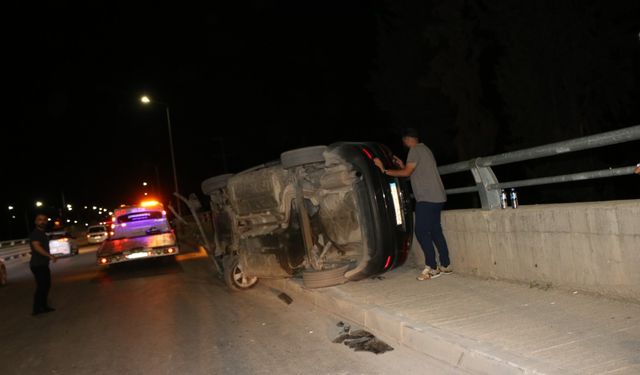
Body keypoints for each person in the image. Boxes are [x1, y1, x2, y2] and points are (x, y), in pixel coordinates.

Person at [374, 128, 452, 281]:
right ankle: (446, 265)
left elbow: (406, 173)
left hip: (427, 198)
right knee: (435, 231)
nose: (404, 143)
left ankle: (432, 268)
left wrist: (383, 170)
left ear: (407, 139)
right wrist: (403, 164)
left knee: (421, 232)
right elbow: (412, 171)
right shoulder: (425, 149)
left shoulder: (414, 150)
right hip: (438, 196)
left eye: (403, 141)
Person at [29, 213, 57, 315]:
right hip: (37, 264)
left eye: (44, 219)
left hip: (43, 264)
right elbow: (36, 247)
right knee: (42, 286)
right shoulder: (36, 233)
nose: (42, 221)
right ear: (36, 222)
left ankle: (44, 306)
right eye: (40, 219)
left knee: (46, 285)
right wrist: (49, 256)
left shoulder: (42, 233)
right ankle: (37, 309)